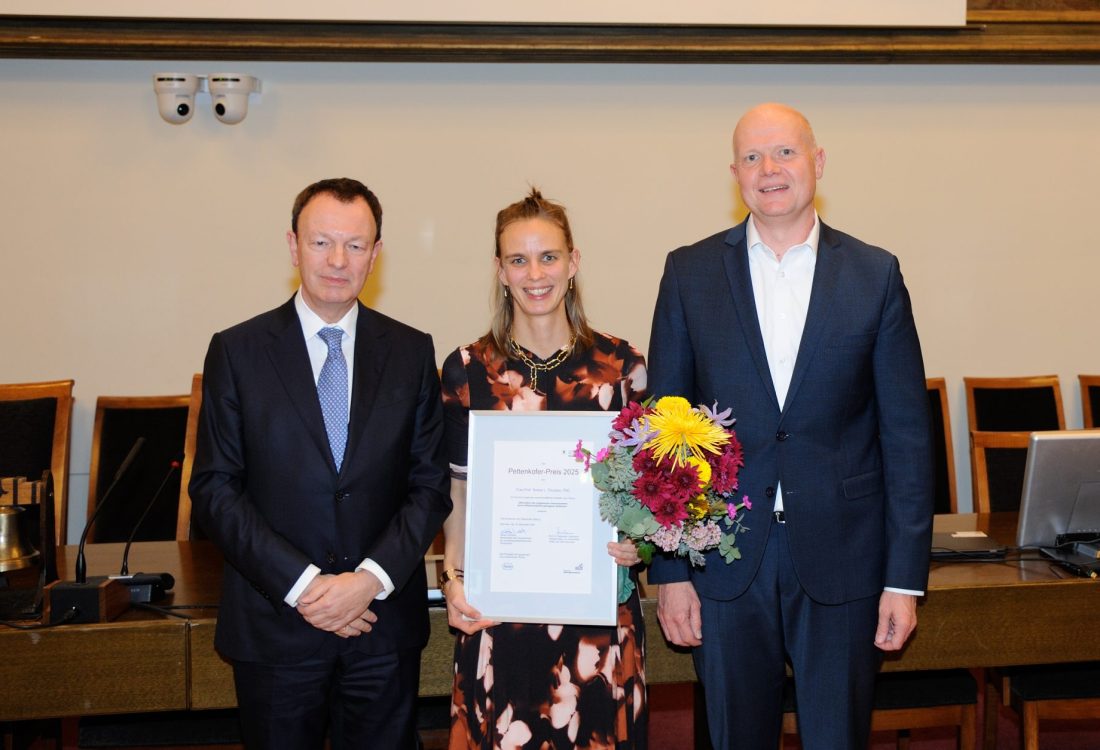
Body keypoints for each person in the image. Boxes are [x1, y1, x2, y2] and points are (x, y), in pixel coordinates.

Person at [646, 103, 934, 750]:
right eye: (751, 157)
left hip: (845, 561)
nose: (768, 169)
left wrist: (903, 579)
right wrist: (670, 572)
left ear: (818, 162)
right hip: (723, 563)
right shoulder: (689, 273)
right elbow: (666, 433)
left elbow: (907, 440)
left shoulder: (875, 275)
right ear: (734, 174)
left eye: (784, 152)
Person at [189, 177, 451, 749]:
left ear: (375, 255)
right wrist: (307, 587)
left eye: (355, 245)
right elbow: (215, 488)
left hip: (380, 626)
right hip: (277, 626)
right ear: (293, 245)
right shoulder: (237, 351)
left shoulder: (411, 351)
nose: (337, 261)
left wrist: (369, 580)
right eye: (321, 242)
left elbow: (430, 485)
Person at [440, 188, 649, 749]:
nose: (535, 274)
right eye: (519, 259)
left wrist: (638, 543)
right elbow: (458, 492)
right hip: (497, 619)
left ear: (573, 262)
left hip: (597, 626)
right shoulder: (467, 371)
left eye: (548, 257)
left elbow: (644, 498)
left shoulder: (621, 369)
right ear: (500, 270)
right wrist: (453, 579)